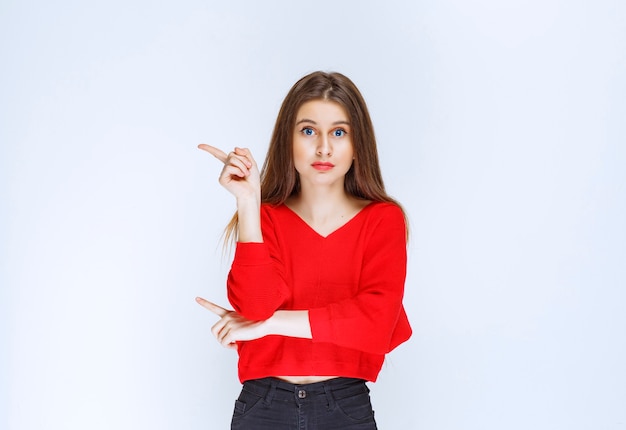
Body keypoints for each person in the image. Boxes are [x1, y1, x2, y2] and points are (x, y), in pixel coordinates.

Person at [196, 71, 412, 430]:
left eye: (339, 132)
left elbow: (376, 324)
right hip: (262, 406)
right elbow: (254, 306)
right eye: (309, 131)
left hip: (345, 405)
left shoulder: (382, 219)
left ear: (358, 143)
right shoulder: (266, 217)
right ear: (288, 140)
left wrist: (269, 325)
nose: (324, 148)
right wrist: (250, 201)